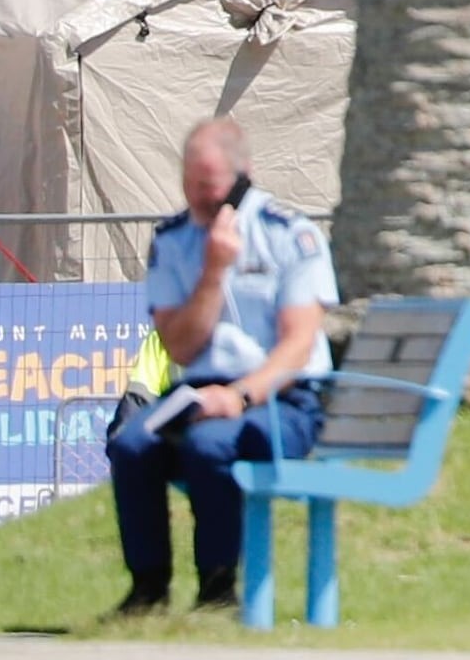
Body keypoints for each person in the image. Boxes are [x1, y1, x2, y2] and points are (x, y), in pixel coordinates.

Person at [108, 116, 334, 614]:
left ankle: (217, 590)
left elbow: (298, 346)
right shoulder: (173, 241)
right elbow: (181, 349)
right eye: (191, 188)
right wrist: (213, 272)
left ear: (242, 175)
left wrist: (239, 397)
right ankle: (147, 589)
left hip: (280, 399)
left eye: (210, 188)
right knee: (131, 443)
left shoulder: (289, 235)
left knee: (211, 444)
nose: (201, 201)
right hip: (199, 391)